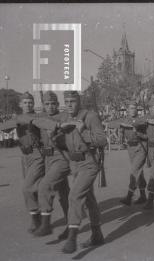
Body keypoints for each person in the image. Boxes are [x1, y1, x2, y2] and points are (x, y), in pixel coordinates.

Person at [57, 91, 107, 254]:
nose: (69, 104)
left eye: (73, 101)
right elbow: (62, 143)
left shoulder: (90, 116)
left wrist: (83, 129)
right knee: (89, 199)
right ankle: (97, 233)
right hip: (74, 164)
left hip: (89, 163)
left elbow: (102, 140)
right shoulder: (64, 117)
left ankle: (72, 238)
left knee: (75, 195)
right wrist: (56, 136)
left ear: (79, 102)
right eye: (67, 101)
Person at [0, 92, 45, 234]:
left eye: (30, 102)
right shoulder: (17, 118)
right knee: (31, 188)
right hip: (25, 156)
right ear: (20, 105)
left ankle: (37, 217)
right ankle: (35, 216)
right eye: (25, 102)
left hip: (38, 154)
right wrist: (17, 122)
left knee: (27, 187)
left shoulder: (39, 116)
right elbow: (4, 127)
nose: (28, 105)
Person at [30, 91, 70, 239]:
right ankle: (70, 226)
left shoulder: (64, 117)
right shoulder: (41, 118)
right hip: (48, 159)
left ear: (58, 104)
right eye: (47, 104)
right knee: (64, 195)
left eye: (53, 103)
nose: (51, 106)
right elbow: (34, 121)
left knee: (45, 186)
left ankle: (46, 225)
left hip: (61, 157)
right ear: (43, 105)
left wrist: (57, 132)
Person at [119, 101, 149, 206]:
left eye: (134, 108)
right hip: (130, 148)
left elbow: (147, 136)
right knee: (139, 172)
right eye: (130, 108)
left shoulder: (142, 120)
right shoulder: (124, 120)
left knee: (134, 171)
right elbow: (120, 129)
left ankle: (129, 196)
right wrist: (122, 141)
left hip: (141, 147)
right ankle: (143, 195)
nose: (133, 110)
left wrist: (138, 133)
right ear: (127, 110)